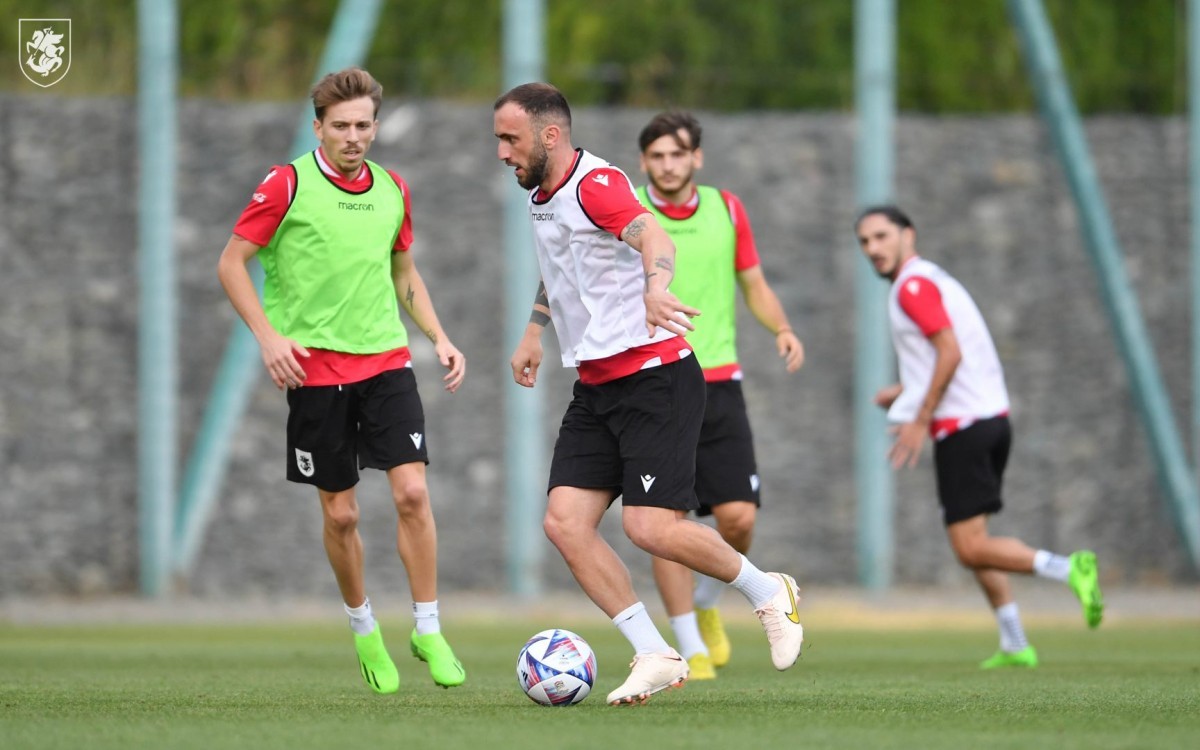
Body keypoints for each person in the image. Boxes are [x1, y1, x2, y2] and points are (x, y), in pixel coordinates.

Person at [494, 82, 805, 706]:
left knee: (650, 527)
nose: (502, 151)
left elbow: (655, 237)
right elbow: (561, 268)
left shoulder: (597, 184)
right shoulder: (541, 194)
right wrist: (533, 330)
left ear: (550, 135)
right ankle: (655, 653)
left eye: (510, 138)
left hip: (654, 378)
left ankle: (769, 591)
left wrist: (655, 287)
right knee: (565, 524)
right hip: (596, 385)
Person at [217, 67, 467, 693]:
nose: (353, 137)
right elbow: (231, 264)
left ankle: (428, 628)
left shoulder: (392, 188)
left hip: (386, 362)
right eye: (341, 126)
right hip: (315, 371)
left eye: (363, 125)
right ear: (318, 128)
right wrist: (269, 338)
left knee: (413, 494)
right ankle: (364, 629)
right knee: (343, 515)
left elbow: (404, 272)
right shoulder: (286, 183)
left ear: (375, 127)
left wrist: (438, 336)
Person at [855, 205, 1105, 669]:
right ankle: (1014, 642)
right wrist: (905, 392)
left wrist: (920, 417)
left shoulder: (911, 286)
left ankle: (1068, 568)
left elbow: (949, 352)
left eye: (882, 236)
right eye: (865, 241)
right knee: (976, 540)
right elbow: (952, 356)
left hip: (964, 428)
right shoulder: (933, 278)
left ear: (909, 234)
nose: (873, 248)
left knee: (969, 548)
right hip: (989, 420)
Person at [634, 112, 805, 680]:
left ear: (696, 158)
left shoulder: (727, 209)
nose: (667, 165)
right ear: (643, 162)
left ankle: (707, 602)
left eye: (676, 154)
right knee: (666, 517)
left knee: (738, 517)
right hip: (656, 379)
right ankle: (691, 647)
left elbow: (753, 283)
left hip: (719, 381)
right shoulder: (630, 213)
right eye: (657, 156)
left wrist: (781, 328)